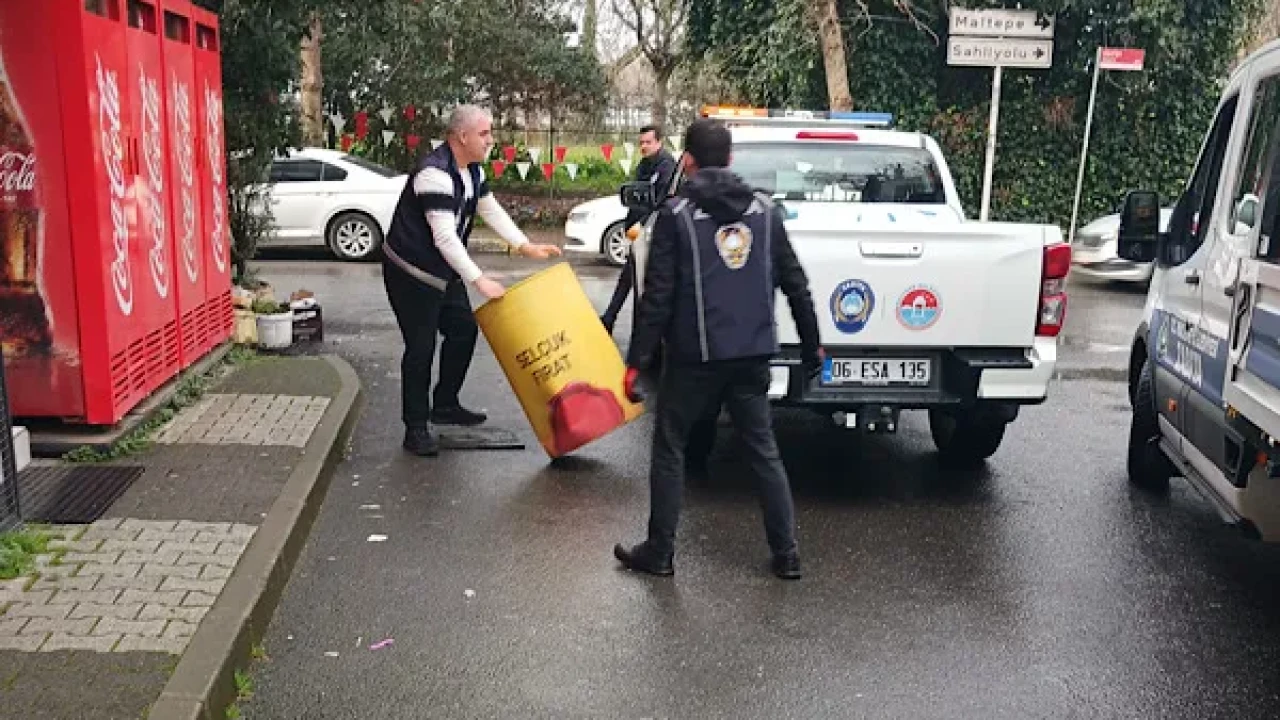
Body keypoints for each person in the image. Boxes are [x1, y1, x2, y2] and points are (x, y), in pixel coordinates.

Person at [614, 118, 823, 580]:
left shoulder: (676, 215)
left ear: (687, 161)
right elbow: (796, 284)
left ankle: (660, 551)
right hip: (752, 354)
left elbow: (658, 298)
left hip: (695, 357)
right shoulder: (765, 212)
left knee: (670, 445)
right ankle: (786, 553)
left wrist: (637, 362)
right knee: (763, 451)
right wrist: (813, 348)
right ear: (730, 160)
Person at [382, 104, 562, 457]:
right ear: (462, 136)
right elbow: (445, 238)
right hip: (411, 271)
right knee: (421, 347)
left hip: (443, 269)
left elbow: (490, 209)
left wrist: (524, 245)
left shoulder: (472, 171)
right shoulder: (433, 174)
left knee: (463, 329)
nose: (490, 140)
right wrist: (479, 280)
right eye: (484, 133)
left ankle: (445, 404)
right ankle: (415, 428)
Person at [599, 125, 678, 335]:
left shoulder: (666, 166)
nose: (643, 146)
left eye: (648, 142)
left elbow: (658, 202)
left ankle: (615, 318)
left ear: (659, 142)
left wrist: (639, 228)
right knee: (631, 273)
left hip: (654, 230)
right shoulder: (644, 165)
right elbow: (637, 198)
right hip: (639, 228)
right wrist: (630, 230)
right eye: (641, 142)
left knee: (638, 277)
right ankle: (611, 317)